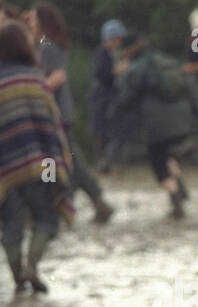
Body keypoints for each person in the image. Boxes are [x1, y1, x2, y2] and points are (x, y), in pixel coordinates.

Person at [0, 19, 72, 293]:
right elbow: (51, 127)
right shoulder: (35, 79)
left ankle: (17, 277)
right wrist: (57, 171)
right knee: (47, 217)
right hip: (42, 165)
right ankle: (32, 266)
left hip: (5, 169)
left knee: (10, 225)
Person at [27, 3, 114, 223]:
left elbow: (59, 76)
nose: (31, 22)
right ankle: (89, 201)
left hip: (57, 115)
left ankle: (90, 201)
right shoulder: (46, 44)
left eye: (34, 19)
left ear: (44, 22)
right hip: (58, 113)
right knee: (68, 159)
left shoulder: (48, 46)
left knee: (69, 159)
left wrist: (36, 91)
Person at [111, 33, 198, 219]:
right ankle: (180, 186)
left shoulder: (135, 69)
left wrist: (121, 77)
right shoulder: (162, 59)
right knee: (165, 154)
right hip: (180, 117)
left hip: (156, 124)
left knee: (157, 163)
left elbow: (125, 99)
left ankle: (175, 199)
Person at [88, 19, 127, 173]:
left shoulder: (112, 53)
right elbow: (101, 74)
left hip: (110, 96)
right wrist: (117, 71)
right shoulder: (101, 53)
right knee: (102, 130)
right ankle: (101, 162)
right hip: (101, 97)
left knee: (111, 130)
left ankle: (109, 161)